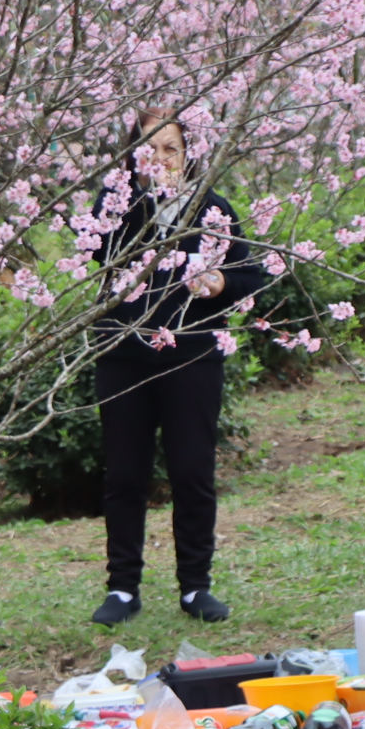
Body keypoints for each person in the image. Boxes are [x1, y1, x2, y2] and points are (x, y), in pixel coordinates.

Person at [88, 108, 266, 627]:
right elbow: (97, 250)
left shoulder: (212, 209)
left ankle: (195, 586)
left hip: (191, 354)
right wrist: (142, 201)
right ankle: (122, 587)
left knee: (192, 471)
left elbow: (250, 274)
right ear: (132, 155)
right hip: (123, 353)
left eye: (171, 149)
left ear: (190, 156)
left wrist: (220, 285)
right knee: (124, 473)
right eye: (149, 149)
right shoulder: (117, 203)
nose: (160, 160)